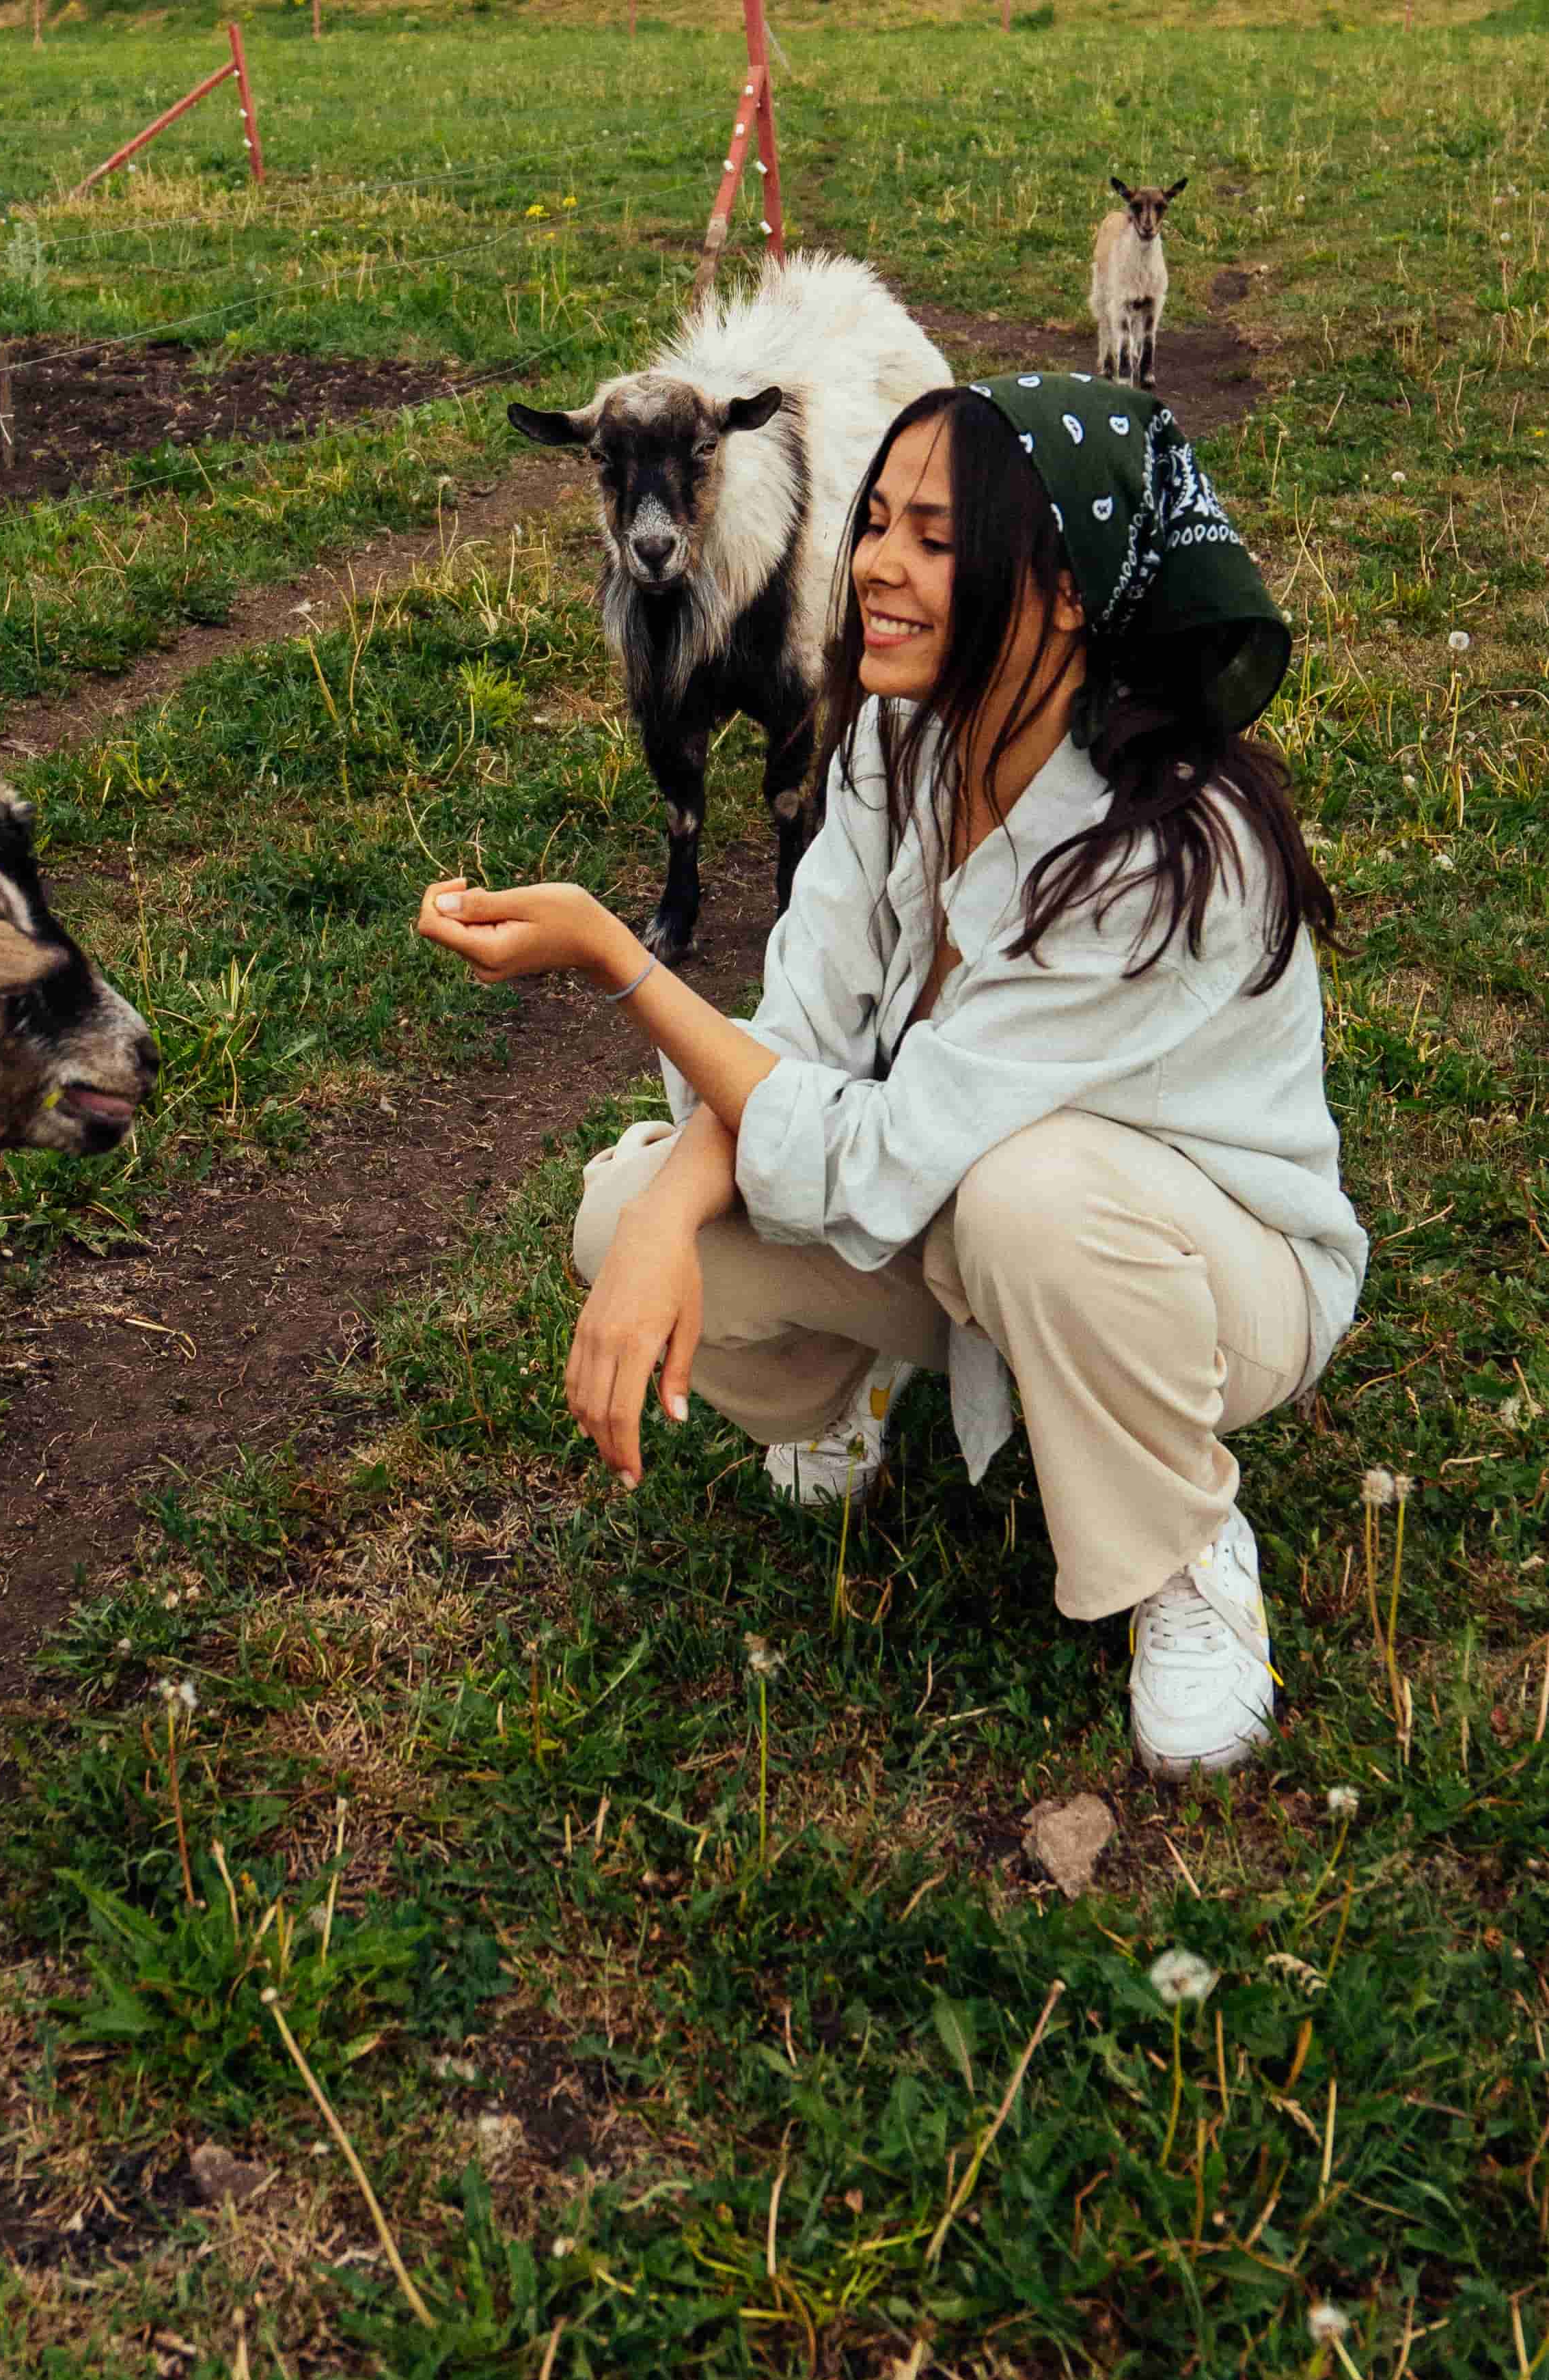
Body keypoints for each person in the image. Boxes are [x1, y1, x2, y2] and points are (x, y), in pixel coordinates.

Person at [416, 374, 1366, 1779]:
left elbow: (873, 1154)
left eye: (930, 535)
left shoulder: (1172, 851)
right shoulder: (895, 746)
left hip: (1200, 1270)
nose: (871, 564)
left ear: (1057, 588)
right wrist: (667, 1219)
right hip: (952, 1198)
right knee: (622, 1216)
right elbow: (794, 1035)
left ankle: (1177, 1540)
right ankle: (863, 1383)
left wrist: (618, 957)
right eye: (872, 523)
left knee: (1025, 1195)